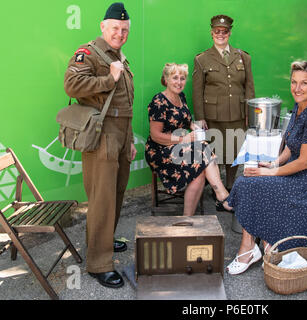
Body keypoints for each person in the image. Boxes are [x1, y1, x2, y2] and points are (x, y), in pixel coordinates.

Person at [225, 61, 307, 275]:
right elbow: (291, 147)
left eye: (304, 83)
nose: (297, 88)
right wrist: (274, 163)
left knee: (252, 183)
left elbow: (304, 162)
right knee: (249, 179)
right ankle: (258, 245)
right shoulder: (299, 108)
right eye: (294, 82)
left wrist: (270, 172)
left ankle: (251, 248)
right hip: (296, 175)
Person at [63, 2, 136, 288]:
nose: (120, 33)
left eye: (125, 29)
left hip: (120, 134)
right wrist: (110, 78)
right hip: (101, 135)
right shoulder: (90, 53)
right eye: (115, 28)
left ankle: (104, 241)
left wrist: (129, 141)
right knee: (102, 198)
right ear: (103, 27)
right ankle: (98, 263)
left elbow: (125, 106)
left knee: (116, 193)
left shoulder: (119, 56)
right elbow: (72, 85)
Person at [145, 63, 234, 216]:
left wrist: (194, 128)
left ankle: (189, 219)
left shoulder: (182, 97)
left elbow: (185, 121)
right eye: (174, 78)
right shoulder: (158, 101)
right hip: (160, 149)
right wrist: (183, 139)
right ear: (166, 79)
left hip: (180, 145)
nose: (179, 82)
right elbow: (156, 135)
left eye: (182, 78)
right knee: (201, 152)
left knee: (199, 166)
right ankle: (222, 195)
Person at [192, 14, 255, 191]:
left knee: (234, 152)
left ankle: (231, 185)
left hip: (237, 114)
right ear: (212, 33)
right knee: (215, 152)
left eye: (225, 31)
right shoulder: (202, 59)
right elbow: (197, 91)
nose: (221, 34)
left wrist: (249, 115)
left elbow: (249, 87)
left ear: (229, 33)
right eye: (217, 31)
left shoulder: (243, 57)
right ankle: (217, 188)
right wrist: (200, 118)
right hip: (213, 116)